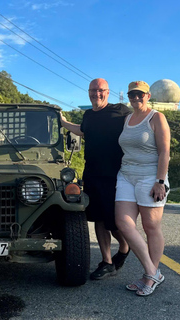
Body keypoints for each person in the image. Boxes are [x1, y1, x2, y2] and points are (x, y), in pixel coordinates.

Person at [60, 78, 131, 280]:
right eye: (93, 90)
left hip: (115, 175)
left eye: (100, 90)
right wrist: (63, 123)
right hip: (92, 174)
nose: (96, 94)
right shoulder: (88, 115)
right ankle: (107, 262)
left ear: (107, 92)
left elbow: (137, 125)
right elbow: (82, 130)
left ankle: (125, 248)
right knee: (98, 219)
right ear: (89, 92)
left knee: (114, 221)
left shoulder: (120, 111)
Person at [115, 80, 171, 296]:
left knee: (150, 227)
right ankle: (152, 272)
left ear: (148, 96)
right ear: (128, 97)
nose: (136, 98)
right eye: (132, 95)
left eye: (140, 95)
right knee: (123, 223)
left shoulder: (156, 117)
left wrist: (160, 181)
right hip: (126, 175)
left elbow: (164, 151)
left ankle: (150, 276)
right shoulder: (127, 118)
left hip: (151, 177)